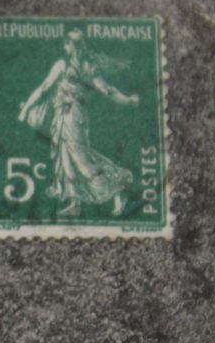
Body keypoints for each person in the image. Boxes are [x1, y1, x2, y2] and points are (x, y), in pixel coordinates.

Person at [17, 30, 141, 217]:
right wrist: (26, 108)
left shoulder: (83, 67)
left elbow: (106, 90)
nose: (66, 47)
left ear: (72, 46)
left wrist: (128, 101)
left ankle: (116, 191)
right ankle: (75, 203)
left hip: (74, 116)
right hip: (62, 115)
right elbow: (45, 88)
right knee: (65, 155)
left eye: (68, 44)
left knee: (81, 158)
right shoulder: (71, 65)